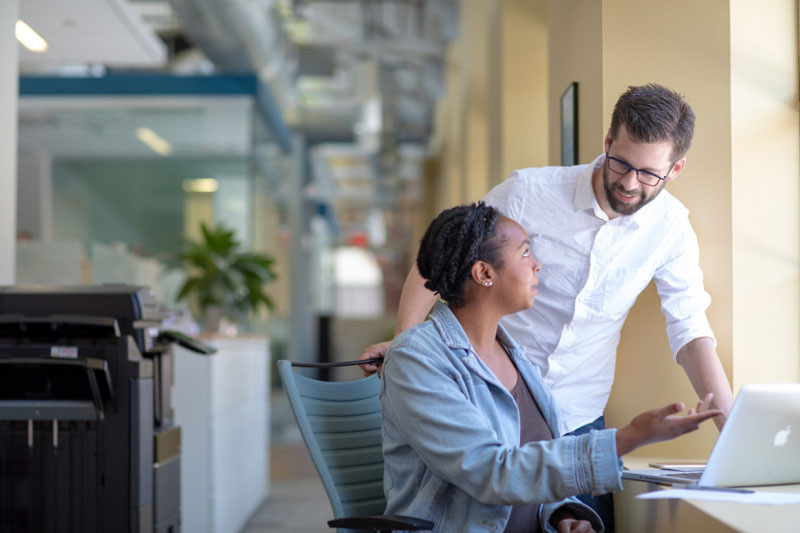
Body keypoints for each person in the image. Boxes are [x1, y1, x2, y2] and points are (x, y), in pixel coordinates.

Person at [363, 84, 733, 529]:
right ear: (607, 144)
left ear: (676, 169)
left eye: (649, 174)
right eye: (621, 164)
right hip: (486, 397)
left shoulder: (671, 229)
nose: (631, 182)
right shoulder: (529, 192)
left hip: (573, 416)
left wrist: (730, 432)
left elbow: (690, 329)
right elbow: (445, 255)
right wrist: (410, 346)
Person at [381, 203, 721, 533]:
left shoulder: (515, 354)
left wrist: (562, 514)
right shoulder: (417, 360)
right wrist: (630, 437)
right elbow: (491, 474)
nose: (537, 265)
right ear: (484, 273)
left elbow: (532, 464)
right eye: (525, 252)